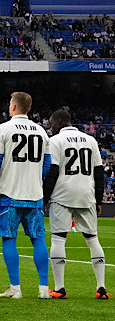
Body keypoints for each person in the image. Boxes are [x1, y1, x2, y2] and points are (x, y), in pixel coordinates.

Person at [0, 91, 52, 299]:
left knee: (9, 238)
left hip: (10, 194)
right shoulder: (41, 131)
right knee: (38, 239)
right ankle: (44, 288)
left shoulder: (3, 129)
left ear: (14, 107)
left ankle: (15, 288)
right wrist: (35, 179)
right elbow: (47, 165)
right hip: (34, 195)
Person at [45, 109, 107, 300]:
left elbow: (53, 171)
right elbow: (98, 172)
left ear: (60, 121)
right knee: (92, 239)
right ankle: (101, 288)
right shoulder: (90, 140)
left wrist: (45, 198)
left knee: (58, 238)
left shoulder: (55, 141)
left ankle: (59, 288)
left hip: (62, 194)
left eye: (52, 123)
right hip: (86, 194)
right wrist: (97, 199)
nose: (51, 127)